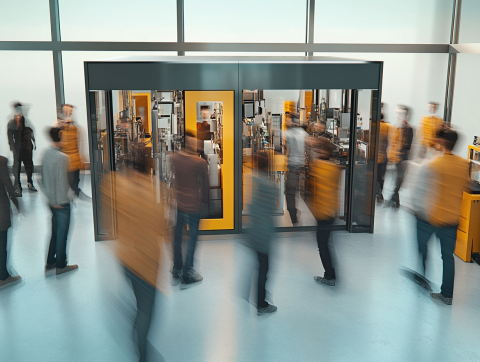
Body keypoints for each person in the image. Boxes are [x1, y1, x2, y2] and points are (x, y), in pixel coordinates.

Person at [102, 169, 169, 362]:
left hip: (125, 259)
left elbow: (109, 210)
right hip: (146, 263)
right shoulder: (154, 191)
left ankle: (138, 334)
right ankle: (143, 355)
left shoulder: (118, 186)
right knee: (147, 311)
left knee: (141, 307)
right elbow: (161, 227)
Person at [412, 127, 469, 305]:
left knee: (422, 246)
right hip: (453, 218)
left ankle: (422, 274)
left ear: (442, 142)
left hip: (432, 216)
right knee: (447, 257)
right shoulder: (463, 165)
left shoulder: (434, 164)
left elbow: (422, 191)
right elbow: (465, 187)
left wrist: (416, 207)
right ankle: (447, 295)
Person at [170, 131, 209, 289]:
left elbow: (172, 179)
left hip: (178, 205)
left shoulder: (174, 159)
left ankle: (176, 269)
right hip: (193, 206)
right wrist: (206, 204)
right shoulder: (200, 163)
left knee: (177, 240)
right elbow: (205, 187)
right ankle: (187, 273)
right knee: (192, 241)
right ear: (192, 144)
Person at [244, 152, 277, 315]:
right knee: (264, 268)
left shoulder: (251, 178)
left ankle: (249, 295)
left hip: (253, 229)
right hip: (264, 232)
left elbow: (249, 203)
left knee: (256, 265)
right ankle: (261, 304)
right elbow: (273, 208)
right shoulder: (271, 186)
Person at [41, 127, 78, 275]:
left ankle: (50, 261)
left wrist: (50, 199)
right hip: (61, 202)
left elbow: (43, 180)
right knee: (63, 234)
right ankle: (61, 265)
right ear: (61, 136)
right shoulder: (63, 158)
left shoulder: (46, 154)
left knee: (54, 232)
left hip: (50, 201)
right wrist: (58, 201)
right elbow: (62, 183)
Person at [307, 137, 342, 286]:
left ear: (323, 150)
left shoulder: (318, 166)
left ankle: (330, 276)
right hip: (331, 210)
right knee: (327, 244)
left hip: (322, 212)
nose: (316, 151)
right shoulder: (335, 168)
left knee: (323, 246)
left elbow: (312, 189)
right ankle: (332, 273)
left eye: (318, 148)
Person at [7, 102, 37, 196]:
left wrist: (34, 142)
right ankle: (17, 186)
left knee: (28, 165)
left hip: (27, 147)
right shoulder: (12, 122)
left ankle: (30, 182)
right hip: (18, 147)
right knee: (17, 166)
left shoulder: (26, 120)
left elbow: (31, 132)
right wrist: (12, 146)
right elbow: (10, 135)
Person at [0, 155, 21, 289]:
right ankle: (3, 276)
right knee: (2, 244)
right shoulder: (1, 162)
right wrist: (17, 204)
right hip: (1, 212)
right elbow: (8, 184)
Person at [387, 105, 413, 209]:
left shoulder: (408, 129)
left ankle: (393, 199)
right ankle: (394, 201)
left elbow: (406, 146)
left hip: (402, 158)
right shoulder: (397, 127)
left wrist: (399, 155)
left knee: (398, 179)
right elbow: (393, 142)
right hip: (395, 157)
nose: (398, 115)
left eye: (400, 113)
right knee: (396, 179)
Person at [57, 104, 85, 198]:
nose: (69, 113)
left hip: (75, 160)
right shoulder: (59, 128)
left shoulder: (76, 128)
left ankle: (75, 193)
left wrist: (81, 159)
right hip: (65, 161)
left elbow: (79, 144)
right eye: (67, 111)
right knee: (68, 183)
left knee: (75, 181)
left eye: (70, 111)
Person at [285, 112, 307, 224]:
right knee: (295, 191)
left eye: (288, 119)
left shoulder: (289, 133)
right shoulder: (304, 133)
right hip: (301, 166)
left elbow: (283, 137)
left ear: (293, 122)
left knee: (289, 192)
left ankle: (294, 216)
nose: (286, 121)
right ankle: (294, 213)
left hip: (293, 166)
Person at [376, 110, 393, 204]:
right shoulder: (388, 127)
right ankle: (379, 193)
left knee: (374, 176)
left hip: (374, 157)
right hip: (384, 156)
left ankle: (378, 194)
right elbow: (390, 141)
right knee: (380, 177)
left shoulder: (373, 126)